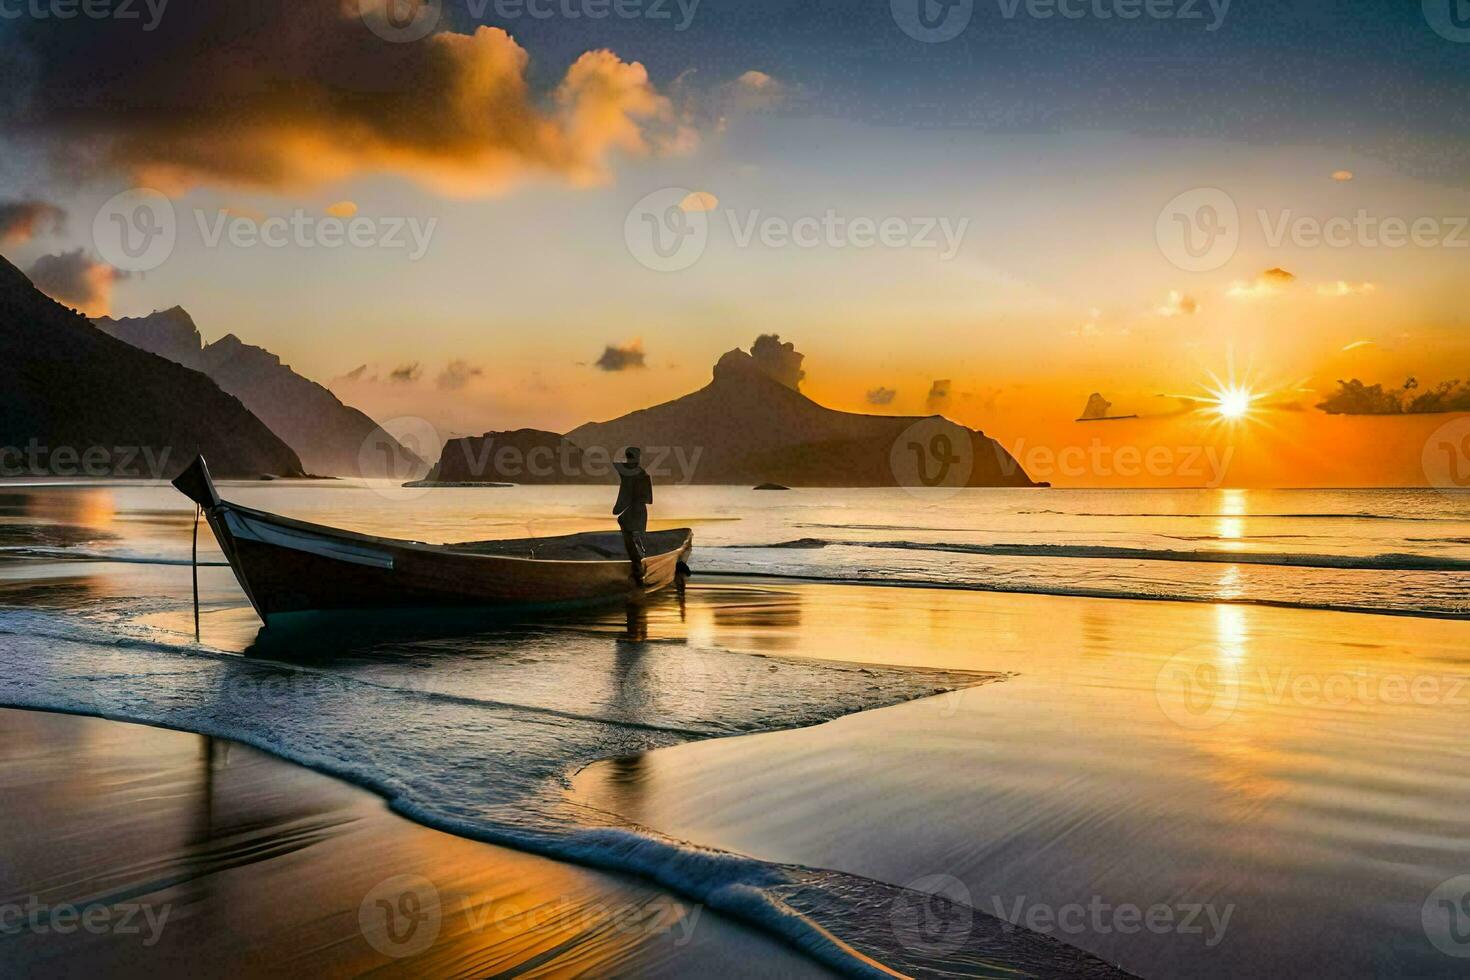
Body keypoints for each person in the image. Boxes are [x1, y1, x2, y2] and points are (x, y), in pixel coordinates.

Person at [612, 447, 653, 583]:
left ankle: (638, 568)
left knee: (634, 536)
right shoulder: (641, 473)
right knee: (633, 534)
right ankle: (638, 566)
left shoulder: (636, 473)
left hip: (636, 510)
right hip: (636, 510)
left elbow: (617, 464)